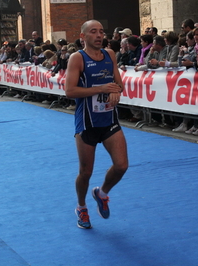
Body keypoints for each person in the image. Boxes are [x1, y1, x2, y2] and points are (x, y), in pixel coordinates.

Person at [65, 20, 128, 229]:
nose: (99, 35)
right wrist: (100, 89)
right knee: (86, 172)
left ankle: (101, 194)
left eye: (101, 31)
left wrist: (115, 91)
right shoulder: (77, 58)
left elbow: (118, 84)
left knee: (121, 165)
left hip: (109, 119)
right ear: (83, 37)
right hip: (86, 123)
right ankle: (82, 207)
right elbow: (70, 91)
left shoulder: (110, 54)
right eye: (93, 32)